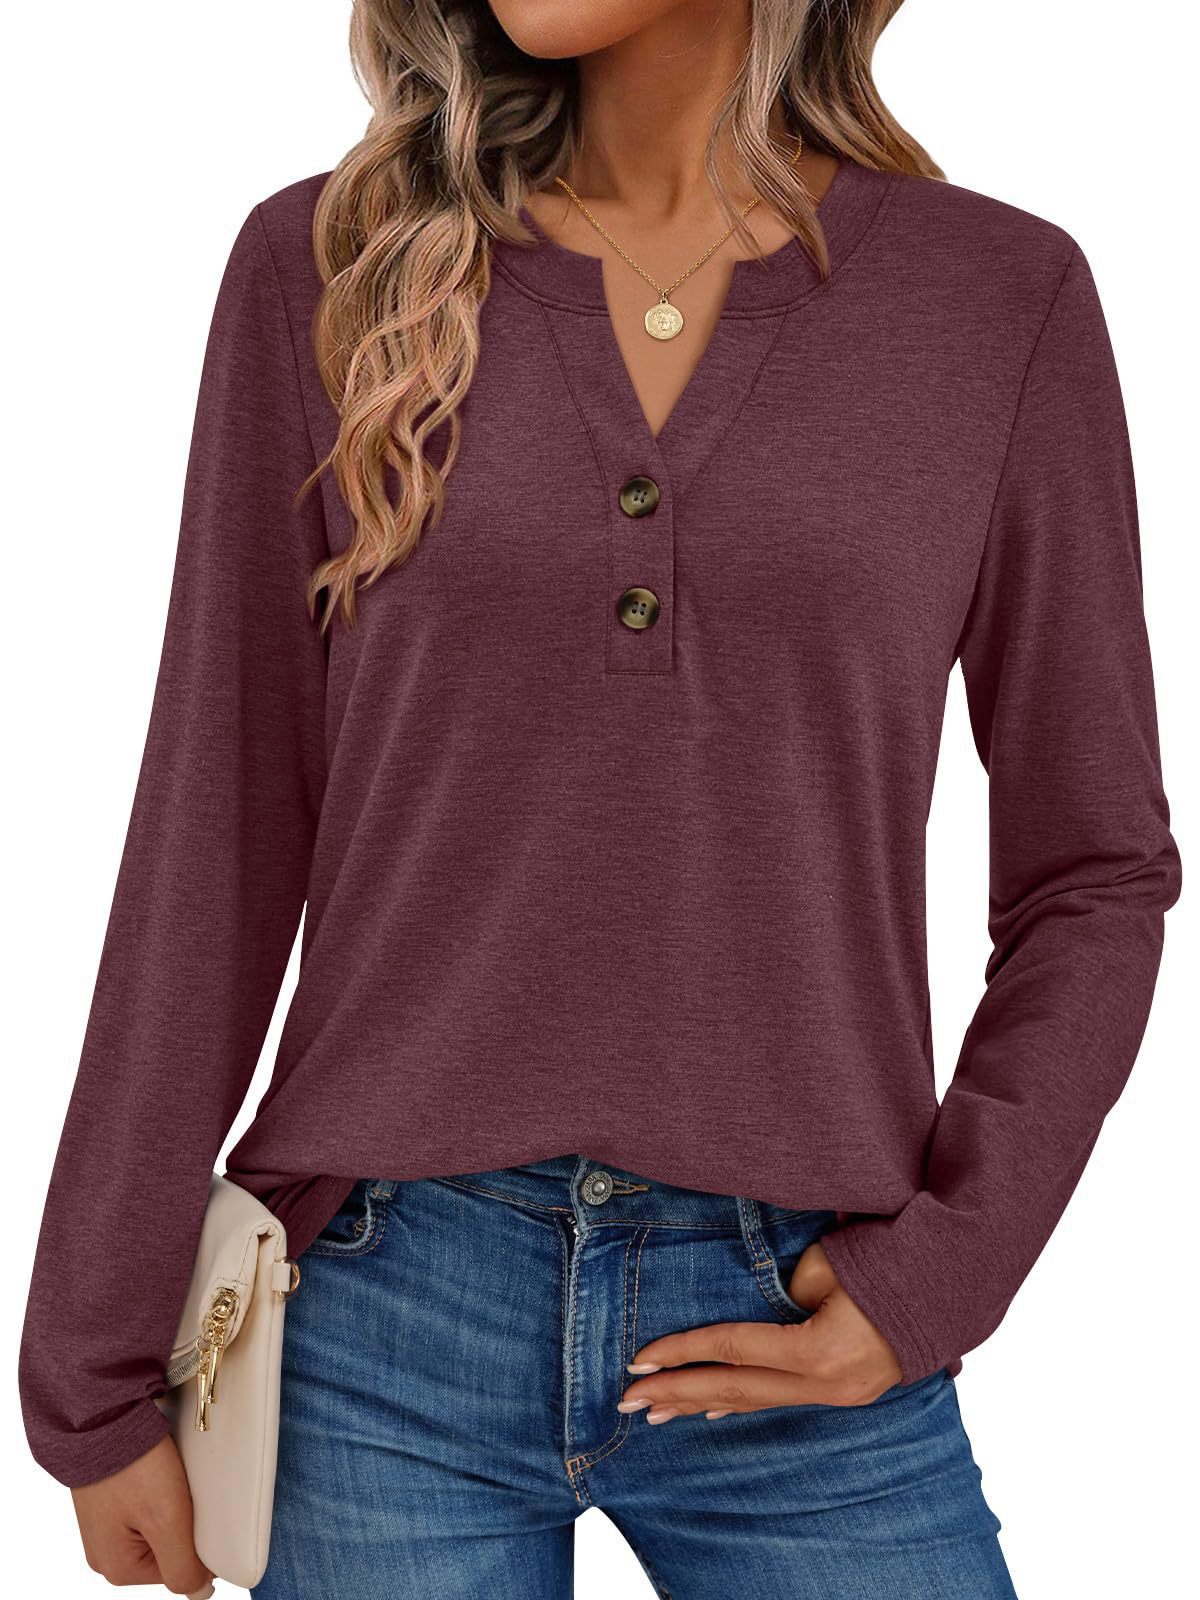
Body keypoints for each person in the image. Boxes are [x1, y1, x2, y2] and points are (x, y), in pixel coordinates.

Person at [19, 0, 1181, 1595]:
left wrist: (945, 1274)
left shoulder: (997, 300)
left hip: (802, 1303)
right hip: (380, 1309)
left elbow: (1096, 871)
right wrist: (90, 1364)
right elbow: (212, 835)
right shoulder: (330, 262)